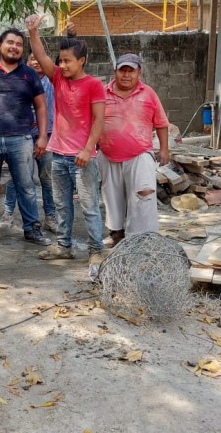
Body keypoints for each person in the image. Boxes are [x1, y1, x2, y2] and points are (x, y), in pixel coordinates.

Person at [26, 15, 106, 267]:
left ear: (82, 61)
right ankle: (63, 245)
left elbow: (98, 121)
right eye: (60, 60)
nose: (62, 65)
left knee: (89, 206)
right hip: (58, 154)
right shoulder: (58, 77)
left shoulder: (94, 85)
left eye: (67, 61)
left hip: (83, 157)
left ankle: (95, 250)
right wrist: (33, 32)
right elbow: (40, 56)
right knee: (62, 205)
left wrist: (88, 149)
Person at [0, 28, 51, 246]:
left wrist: (42, 136)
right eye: (10, 42)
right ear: (0, 44)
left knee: (26, 185)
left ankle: (31, 228)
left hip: (22, 138)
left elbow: (41, 107)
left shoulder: (29, 74)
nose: (14, 47)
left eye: (18, 44)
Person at [98, 53, 170, 244]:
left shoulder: (149, 93)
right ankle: (116, 233)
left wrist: (164, 149)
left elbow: (161, 123)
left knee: (144, 195)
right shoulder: (102, 93)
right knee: (112, 195)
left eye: (131, 71)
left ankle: (143, 238)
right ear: (115, 71)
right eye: (123, 70)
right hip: (108, 153)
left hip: (140, 154)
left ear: (139, 72)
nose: (126, 75)